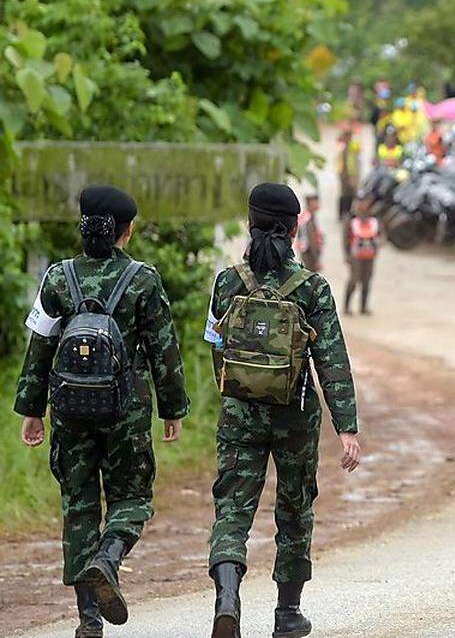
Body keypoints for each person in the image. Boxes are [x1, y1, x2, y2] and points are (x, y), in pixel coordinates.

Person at [16, 185, 189, 635]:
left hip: (69, 409)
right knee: (132, 498)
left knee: (79, 507)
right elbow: (163, 351)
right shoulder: (143, 280)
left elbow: (40, 347)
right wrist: (173, 409)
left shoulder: (58, 277)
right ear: (126, 232)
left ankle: (88, 620)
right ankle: (109, 559)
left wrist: (32, 409)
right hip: (125, 412)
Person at [204, 183, 361, 638]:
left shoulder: (228, 281)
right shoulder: (312, 287)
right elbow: (332, 360)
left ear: (250, 225)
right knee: (294, 508)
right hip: (295, 416)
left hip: (239, 413)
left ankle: (228, 598)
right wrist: (346, 427)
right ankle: (287, 614)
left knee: (232, 507)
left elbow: (218, 348)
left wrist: (236, 391)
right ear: (294, 230)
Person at [343, 198, 380, 315]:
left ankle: (363, 307)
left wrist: (377, 245)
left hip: (370, 256)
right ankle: (347, 306)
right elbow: (345, 238)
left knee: (367, 281)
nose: (363, 205)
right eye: (361, 202)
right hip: (356, 256)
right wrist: (347, 255)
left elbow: (381, 235)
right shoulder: (351, 219)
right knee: (354, 280)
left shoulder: (374, 219)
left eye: (366, 202)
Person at [335, 125, 361, 219]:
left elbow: (354, 162)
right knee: (345, 194)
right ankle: (343, 214)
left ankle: (347, 213)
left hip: (351, 174)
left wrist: (354, 176)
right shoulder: (342, 146)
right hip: (344, 174)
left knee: (351, 194)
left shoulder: (352, 146)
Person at [295, 194, 324, 272]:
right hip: (309, 252)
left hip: (306, 251)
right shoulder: (308, 219)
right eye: (315, 202)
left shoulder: (307, 216)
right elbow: (311, 239)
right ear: (310, 203)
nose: (317, 204)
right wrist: (316, 259)